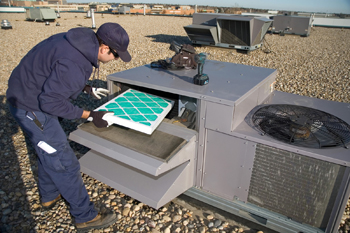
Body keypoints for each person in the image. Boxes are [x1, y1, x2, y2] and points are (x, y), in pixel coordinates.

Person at [6, 22, 131, 232]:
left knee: (48, 151)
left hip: (24, 92)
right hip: (32, 109)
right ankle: (85, 217)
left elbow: (54, 70)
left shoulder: (74, 40)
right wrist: (91, 115)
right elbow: (51, 103)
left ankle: (49, 195)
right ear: (104, 48)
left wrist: (83, 87)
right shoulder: (75, 63)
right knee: (65, 163)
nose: (116, 60)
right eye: (116, 55)